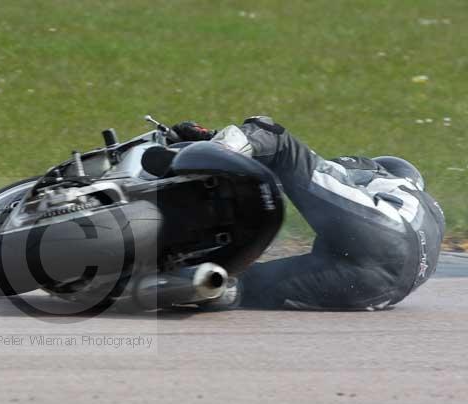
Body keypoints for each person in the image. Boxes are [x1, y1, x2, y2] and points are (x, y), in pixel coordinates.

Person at [169, 117, 446, 310]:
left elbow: (315, 170)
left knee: (276, 139)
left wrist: (209, 139)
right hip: (381, 290)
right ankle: (171, 283)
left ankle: (212, 148)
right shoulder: (430, 217)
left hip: (389, 234)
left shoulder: (385, 177)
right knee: (238, 285)